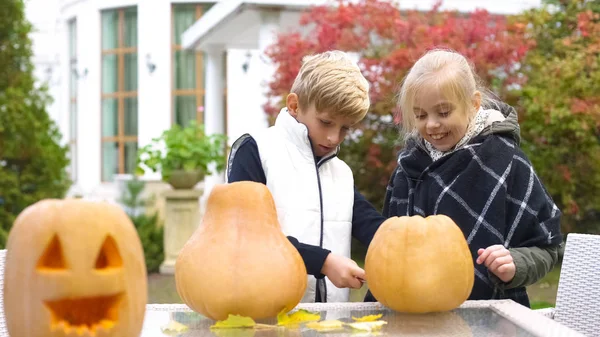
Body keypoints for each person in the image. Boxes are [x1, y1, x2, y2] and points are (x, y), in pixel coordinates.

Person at [365, 49, 563, 307]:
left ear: (474, 103)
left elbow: (548, 246)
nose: (432, 125)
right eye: (421, 115)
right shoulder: (407, 169)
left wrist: (516, 263)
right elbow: (389, 247)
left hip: (488, 315)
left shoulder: (507, 162)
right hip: (409, 314)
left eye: (443, 113)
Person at [227, 50, 386, 303]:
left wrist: (410, 240)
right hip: (264, 315)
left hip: (330, 323)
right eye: (325, 122)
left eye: (345, 128)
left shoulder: (341, 173)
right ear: (294, 105)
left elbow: (369, 223)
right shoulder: (255, 150)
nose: (334, 138)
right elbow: (247, 234)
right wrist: (323, 262)